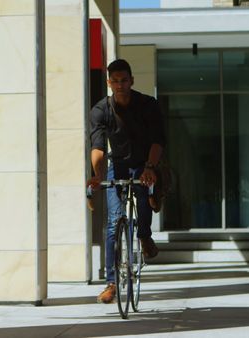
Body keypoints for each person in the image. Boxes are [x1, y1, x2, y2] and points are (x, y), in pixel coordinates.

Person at [87, 59, 165, 304]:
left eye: (124, 80)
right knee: (113, 223)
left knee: (144, 195)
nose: (120, 85)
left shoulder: (147, 105)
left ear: (131, 80)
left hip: (144, 163)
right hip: (117, 164)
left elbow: (157, 140)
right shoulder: (101, 110)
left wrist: (150, 167)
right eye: (115, 81)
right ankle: (111, 283)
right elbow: (98, 146)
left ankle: (144, 235)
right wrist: (97, 176)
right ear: (109, 83)